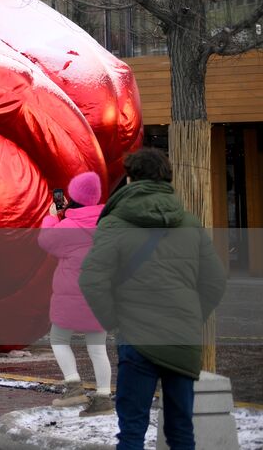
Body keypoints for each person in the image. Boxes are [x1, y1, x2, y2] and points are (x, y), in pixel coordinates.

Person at [79, 148, 226, 450]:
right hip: (181, 336)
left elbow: (91, 279)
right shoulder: (188, 222)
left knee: (132, 430)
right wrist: (193, 315)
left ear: (131, 179)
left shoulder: (115, 223)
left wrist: (113, 319)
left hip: (136, 338)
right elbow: (215, 280)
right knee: (181, 430)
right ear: (166, 179)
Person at [37, 171, 112, 415]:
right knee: (98, 347)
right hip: (99, 294)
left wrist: (51, 218)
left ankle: (73, 386)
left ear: (74, 197)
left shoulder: (67, 226)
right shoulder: (107, 223)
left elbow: (45, 241)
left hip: (71, 293)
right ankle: (103, 398)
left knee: (58, 339)